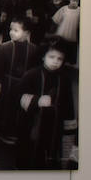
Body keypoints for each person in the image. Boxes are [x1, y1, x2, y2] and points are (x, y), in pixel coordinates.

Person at [15, 37, 78, 169]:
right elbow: (18, 96)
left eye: (59, 59)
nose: (55, 61)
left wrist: (69, 125)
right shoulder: (31, 74)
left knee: (51, 152)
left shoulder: (64, 78)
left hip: (55, 126)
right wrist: (37, 100)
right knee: (30, 153)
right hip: (32, 124)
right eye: (51, 57)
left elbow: (68, 102)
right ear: (43, 56)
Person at [0, 17, 38, 144]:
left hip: (24, 87)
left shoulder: (33, 49)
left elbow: (35, 70)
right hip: (6, 86)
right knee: (5, 109)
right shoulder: (4, 47)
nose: (11, 32)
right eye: (11, 29)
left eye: (16, 30)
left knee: (20, 111)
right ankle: (3, 133)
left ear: (26, 33)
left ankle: (17, 133)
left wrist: (34, 89)